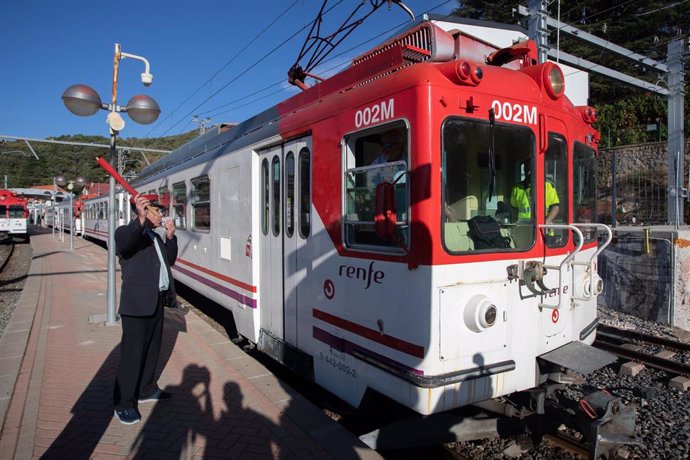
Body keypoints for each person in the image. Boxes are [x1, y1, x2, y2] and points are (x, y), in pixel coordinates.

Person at [113, 193, 178, 425]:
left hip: (156, 302)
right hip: (137, 305)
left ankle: (146, 389)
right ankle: (123, 403)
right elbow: (126, 244)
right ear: (144, 212)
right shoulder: (126, 232)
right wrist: (140, 220)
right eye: (157, 210)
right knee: (132, 356)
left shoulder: (155, 237)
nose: (161, 214)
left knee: (152, 351)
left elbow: (169, 261)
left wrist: (171, 237)